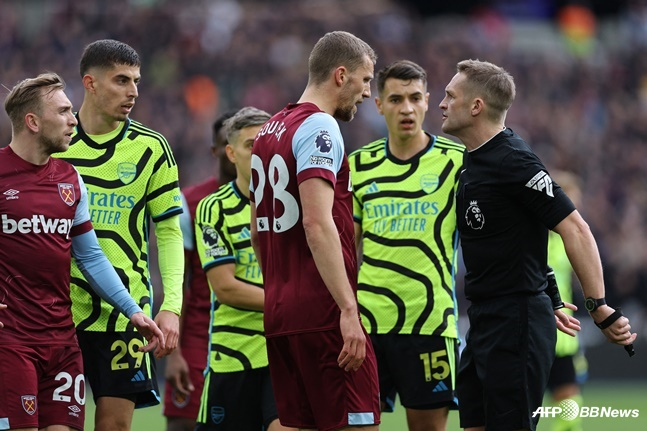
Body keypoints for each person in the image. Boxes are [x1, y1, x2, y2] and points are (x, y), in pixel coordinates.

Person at [438, 59, 637, 431]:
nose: (442, 103)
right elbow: (521, 237)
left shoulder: (514, 159)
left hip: (515, 321)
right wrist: (550, 293)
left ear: (476, 106)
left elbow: (576, 228)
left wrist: (598, 307)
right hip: (484, 320)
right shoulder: (471, 164)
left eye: (450, 95)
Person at [0, 72, 165, 431]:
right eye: (63, 112)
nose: (74, 120)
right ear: (32, 121)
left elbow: (90, 256)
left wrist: (132, 310)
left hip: (61, 340)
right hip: (10, 341)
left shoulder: (70, 179)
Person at [250, 30, 381, 431]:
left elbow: (258, 228)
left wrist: (278, 286)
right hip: (322, 312)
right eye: (365, 80)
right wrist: (347, 308)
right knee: (359, 425)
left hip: (280, 310)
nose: (367, 93)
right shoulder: (320, 127)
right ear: (341, 75)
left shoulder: (269, 129)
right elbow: (316, 220)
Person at [53, 39, 184, 431]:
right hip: (59, 311)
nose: (133, 92)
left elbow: (169, 232)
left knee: (115, 427)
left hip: (126, 314)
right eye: (121, 80)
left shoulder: (151, 148)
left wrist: (172, 305)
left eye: (137, 81)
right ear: (90, 83)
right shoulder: (53, 144)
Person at [349, 60, 463, 431]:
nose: (407, 108)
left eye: (415, 98)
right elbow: (346, 250)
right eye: (396, 99)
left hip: (430, 323)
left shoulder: (457, 163)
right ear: (379, 105)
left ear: (429, 101)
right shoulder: (358, 166)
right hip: (367, 326)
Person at [193, 106, 295, 431]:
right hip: (233, 354)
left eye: (266, 144)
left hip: (283, 351)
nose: (261, 153)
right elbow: (225, 287)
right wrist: (289, 304)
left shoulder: (297, 205)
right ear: (231, 153)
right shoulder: (213, 207)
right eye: (251, 145)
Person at [162, 110, 237, 431]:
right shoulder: (187, 203)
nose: (236, 152)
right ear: (215, 150)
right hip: (198, 335)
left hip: (255, 333)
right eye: (227, 143)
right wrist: (174, 353)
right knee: (182, 424)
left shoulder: (275, 203)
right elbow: (174, 280)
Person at [546, 170, 588, 431]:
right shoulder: (535, 236)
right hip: (537, 329)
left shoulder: (568, 239)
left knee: (570, 407)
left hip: (565, 336)